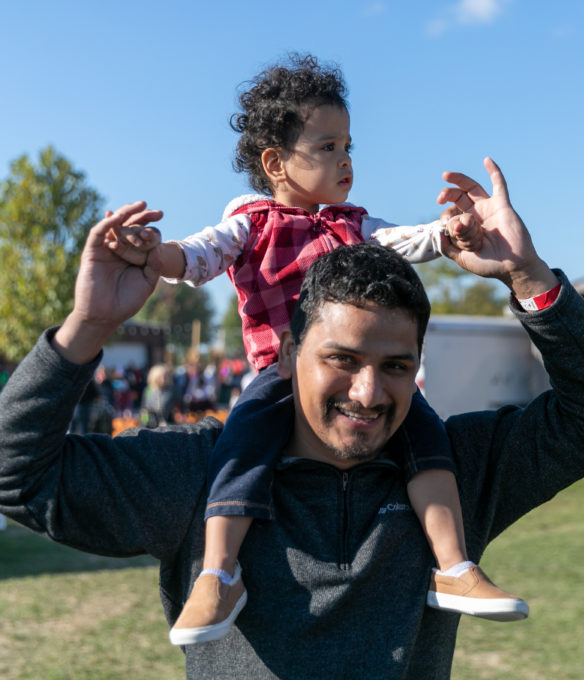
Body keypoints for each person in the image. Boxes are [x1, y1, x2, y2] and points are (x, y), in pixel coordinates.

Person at [0, 159, 584, 679]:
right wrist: (88, 328)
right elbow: (13, 474)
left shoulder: (459, 473)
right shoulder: (203, 471)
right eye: (341, 359)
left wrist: (529, 276)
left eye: (397, 365)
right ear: (286, 353)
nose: (368, 393)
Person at [110, 54, 524, 646]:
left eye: (349, 144)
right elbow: (199, 255)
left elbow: (407, 240)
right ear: (276, 163)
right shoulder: (250, 221)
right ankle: (218, 571)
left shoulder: (355, 225)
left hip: (352, 374)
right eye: (328, 146)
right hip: (279, 375)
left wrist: (449, 233)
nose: (346, 159)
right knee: (241, 445)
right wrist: (154, 253)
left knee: (425, 433)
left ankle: (454, 565)